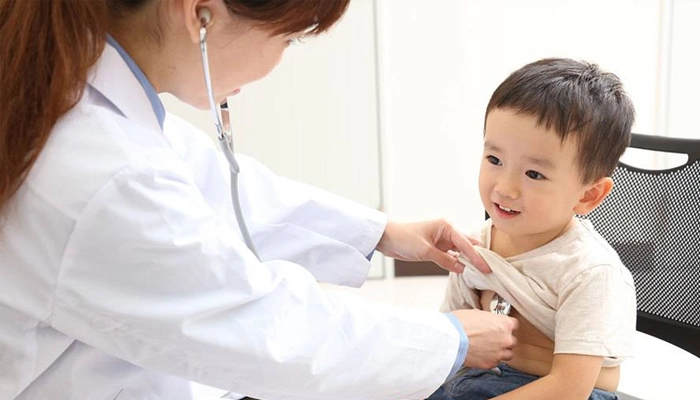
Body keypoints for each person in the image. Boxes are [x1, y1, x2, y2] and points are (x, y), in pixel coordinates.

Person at [0, 1, 518, 399]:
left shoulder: (84, 100)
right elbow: (264, 327)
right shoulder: (101, 172)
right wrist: (448, 339)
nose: (279, 60)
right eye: (287, 39)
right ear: (201, 14)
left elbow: (221, 189)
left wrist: (381, 232)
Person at [429, 58, 637, 400]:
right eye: (494, 160)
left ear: (588, 195)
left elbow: (569, 388)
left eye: (534, 174)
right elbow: (451, 341)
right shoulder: (477, 245)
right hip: (480, 378)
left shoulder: (590, 271)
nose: (505, 188)